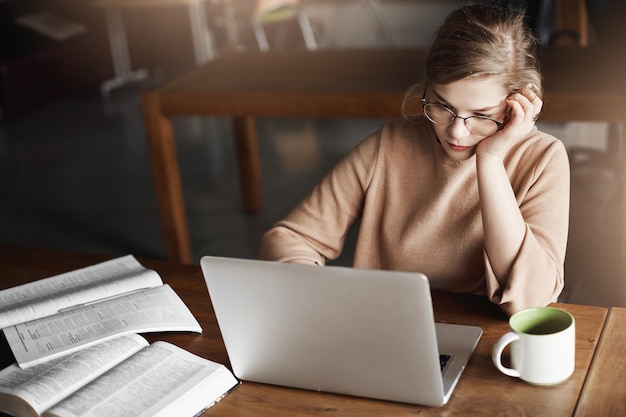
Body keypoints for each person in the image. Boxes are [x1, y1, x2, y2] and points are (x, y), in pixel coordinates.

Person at [259, 4, 570, 316]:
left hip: (490, 342)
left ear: (519, 102)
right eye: (440, 105)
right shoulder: (390, 145)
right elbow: (290, 238)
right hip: (389, 326)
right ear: (427, 88)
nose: (457, 132)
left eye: (481, 115)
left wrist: (490, 162)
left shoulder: (543, 158)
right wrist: (321, 301)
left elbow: (529, 303)